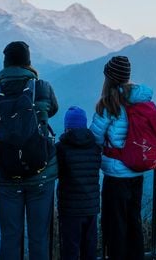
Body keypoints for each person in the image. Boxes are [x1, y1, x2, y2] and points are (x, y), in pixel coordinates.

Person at [0, 41, 59, 260]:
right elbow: (52, 109)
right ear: (28, 62)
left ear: (5, 63)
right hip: (41, 173)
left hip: (7, 173)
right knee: (39, 237)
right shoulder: (42, 87)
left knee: (10, 236)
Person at [90, 56, 155, 260]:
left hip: (116, 175)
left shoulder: (109, 105)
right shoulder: (142, 100)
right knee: (133, 222)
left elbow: (95, 137)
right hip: (137, 170)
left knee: (115, 226)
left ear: (109, 79)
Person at [56, 106, 102, 260]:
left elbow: (56, 172)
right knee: (89, 248)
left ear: (67, 127)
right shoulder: (95, 147)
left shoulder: (61, 148)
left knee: (71, 249)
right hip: (91, 206)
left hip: (70, 209)